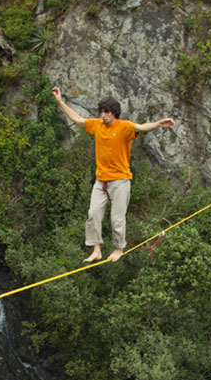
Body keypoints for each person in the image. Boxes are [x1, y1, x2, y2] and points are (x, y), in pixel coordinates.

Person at [52, 86, 175, 263]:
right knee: (93, 213)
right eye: (101, 112)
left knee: (116, 219)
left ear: (114, 113)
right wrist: (60, 102)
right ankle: (96, 249)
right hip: (101, 181)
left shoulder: (124, 126)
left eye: (106, 112)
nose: (103, 115)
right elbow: (78, 119)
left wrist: (158, 124)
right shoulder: (97, 125)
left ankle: (119, 248)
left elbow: (141, 127)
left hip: (120, 181)